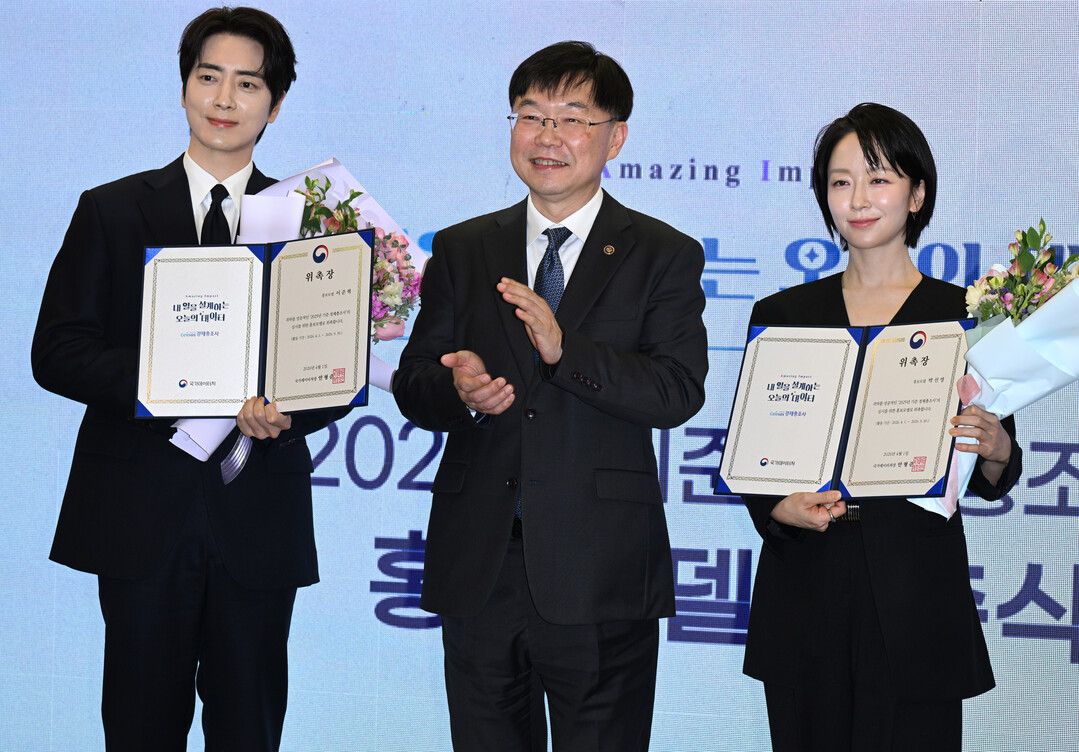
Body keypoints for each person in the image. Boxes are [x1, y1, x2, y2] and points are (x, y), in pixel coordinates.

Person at [31, 8, 347, 750]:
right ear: (184, 88)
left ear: (275, 104)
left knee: (249, 727)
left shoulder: (310, 221)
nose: (224, 99)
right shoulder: (111, 209)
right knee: (139, 726)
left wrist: (287, 411)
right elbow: (59, 351)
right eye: (209, 77)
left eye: (248, 83)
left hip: (257, 513)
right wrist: (171, 381)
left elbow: (331, 365)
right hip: (140, 511)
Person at [392, 40, 708, 751]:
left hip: (600, 572)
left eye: (571, 119)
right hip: (480, 566)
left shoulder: (662, 253)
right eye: (530, 116)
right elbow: (414, 383)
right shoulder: (464, 248)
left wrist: (568, 353)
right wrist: (459, 390)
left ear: (614, 137)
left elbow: (676, 390)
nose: (546, 136)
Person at [740, 103, 1022, 751]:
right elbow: (756, 453)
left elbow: (995, 472)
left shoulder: (961, 314)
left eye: (878, 179)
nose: (858, 200)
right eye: (840, 182)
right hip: (805, 584)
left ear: (916, 193)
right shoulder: (783, 313)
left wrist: (996, 447)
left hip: (916, 590)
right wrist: (777, 505)